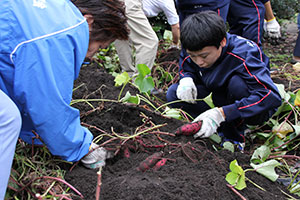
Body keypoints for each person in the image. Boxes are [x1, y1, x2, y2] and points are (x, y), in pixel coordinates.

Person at [0, 0, 129, 198]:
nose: (93, 55)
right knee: (7, 119)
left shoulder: (52, 11)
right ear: (89, 22)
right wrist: (82, 147)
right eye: (100, 46)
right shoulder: (64, 30)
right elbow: (48, 109)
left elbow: (21, 84)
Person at [166, 11, 281, 144]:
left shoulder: (244, 54)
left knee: (237, 85)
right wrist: (186, 78)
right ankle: (207, 126)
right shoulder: (193, 47)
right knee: (173, 94)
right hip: (215, 94)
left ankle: (236, 137)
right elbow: (187, 67)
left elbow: (270, 96)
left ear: (223, 42)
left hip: (249, 106)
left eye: (204, 56)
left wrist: (223, 113)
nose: (199, 62)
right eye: (193, 56)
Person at [115, 0, 159, 76]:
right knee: (149, 42)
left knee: (122, 35)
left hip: (116, 3)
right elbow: (176, 26)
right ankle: (139, 82)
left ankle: (127, 76)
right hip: (129, 3)